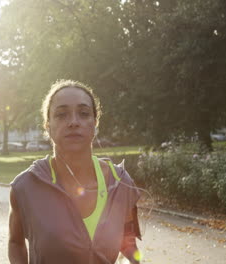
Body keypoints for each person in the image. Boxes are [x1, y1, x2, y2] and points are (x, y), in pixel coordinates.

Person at [8, 80, 142, 264]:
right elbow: (15, 243)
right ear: (47, 125)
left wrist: (135, 261)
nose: (73, 122)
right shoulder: (25, 187)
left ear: (95, 123)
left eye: (84, 113)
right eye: (61, 115)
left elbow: (128, 244)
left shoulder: (120, 183)